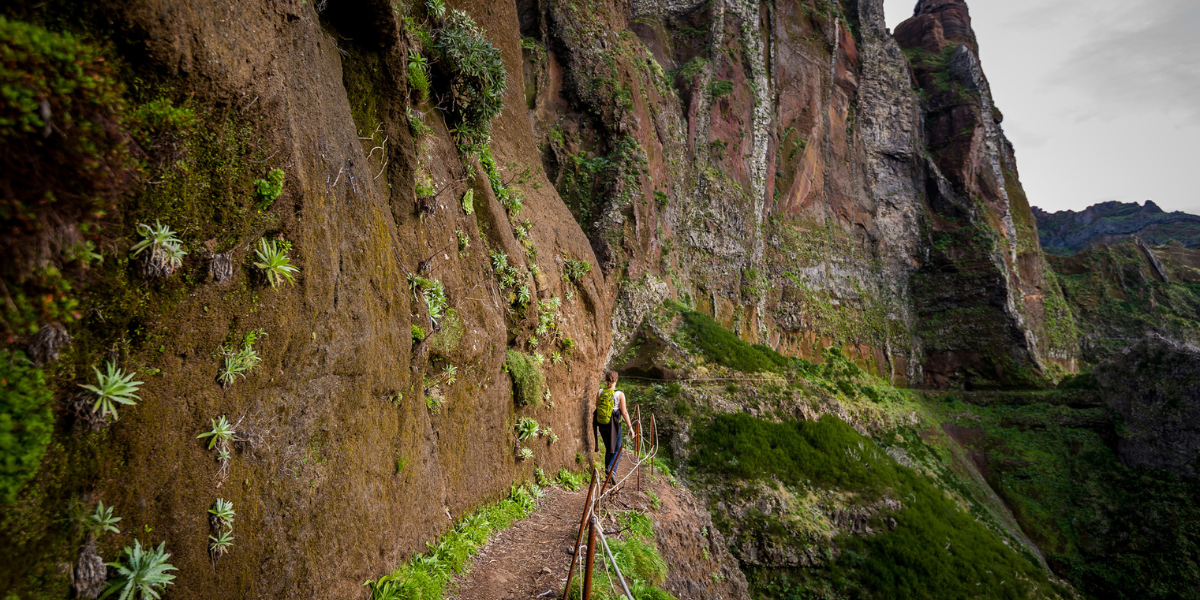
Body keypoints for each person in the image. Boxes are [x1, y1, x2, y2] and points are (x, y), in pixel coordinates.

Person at [594, 370, 636, 476]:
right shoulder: (619, 394)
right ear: (616, 380)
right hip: (613, 424)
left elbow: (597, 405)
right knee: (618, 449)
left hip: (601, 423)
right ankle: (612, 470)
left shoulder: (600, 392)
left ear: (605, 379)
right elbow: (624, 412)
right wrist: (630, 428)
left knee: (609, 448)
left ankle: (607, 472)